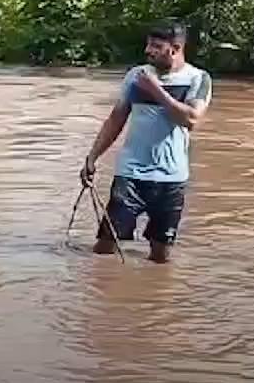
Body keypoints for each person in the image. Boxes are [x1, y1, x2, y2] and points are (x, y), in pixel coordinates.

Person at [79, 20, 213, 264]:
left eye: (155, 46)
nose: (148, 51)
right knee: (104, 247)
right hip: (130, 175)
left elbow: (191, 119)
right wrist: (92, 157)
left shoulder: (198, 78)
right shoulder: (135, 76)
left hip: (172, 179)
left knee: (161, 256)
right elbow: (115, 119)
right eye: (148, 45)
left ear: (174, 48)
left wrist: (156, 91)